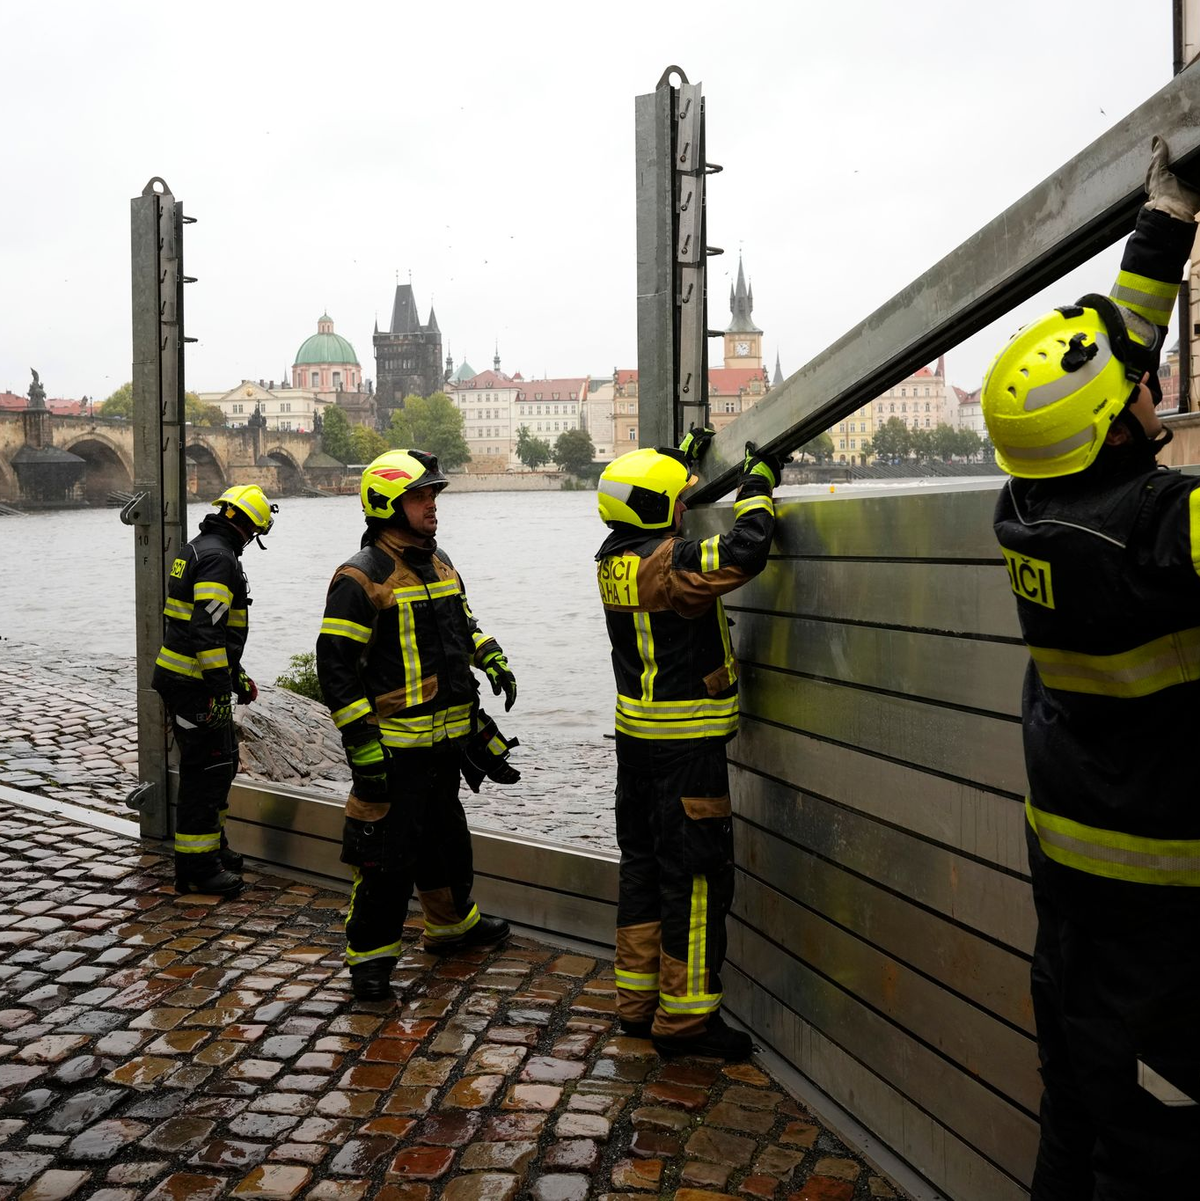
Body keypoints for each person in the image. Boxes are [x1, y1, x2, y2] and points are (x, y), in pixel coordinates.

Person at [981, 137, 1200, 1199]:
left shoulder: (1027, 509)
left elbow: (1102, 381)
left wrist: (1162, 224)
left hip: (1072, 895)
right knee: (1156, 1149)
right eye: (1143, 387)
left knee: (1075, 1112)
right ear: (1121, 424)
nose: (1154, 381)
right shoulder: (1160, 528)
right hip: (1165, 924)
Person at [594, 431, 783, 1060]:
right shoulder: (671, 567)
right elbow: (747, 549)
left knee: (643, 868)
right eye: (678, 501)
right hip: (687, 747)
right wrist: (758, 483)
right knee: (696, 881)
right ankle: (687, 1021)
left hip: (636, 745)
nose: (683, 508)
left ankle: (636, 1004)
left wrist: (678, 458)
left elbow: (655, 511)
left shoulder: (612, 559)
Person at [316, 448, 518, 1002]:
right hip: (395, 750)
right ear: (387, 504)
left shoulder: (440, 560)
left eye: (433, 495)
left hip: (446, 742)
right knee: (384, 858)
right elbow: (335, 670)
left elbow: (462, 625)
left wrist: (490, 654)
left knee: (446, 843)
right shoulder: (361, 577)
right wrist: (361, 744)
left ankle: (452, 926)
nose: (433, 505)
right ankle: (371, 962)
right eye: (420, 496)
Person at [152, 484, 277, 897]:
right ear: (248, 526)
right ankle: (197, 867)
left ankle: (213, 849)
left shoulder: (197, 548)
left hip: (188, 678)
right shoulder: (220, 559)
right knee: (206, 771)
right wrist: (221, 688)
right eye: (257, 531)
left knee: (218, 763)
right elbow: (207, 633)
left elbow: (199, 628)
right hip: (196, 684)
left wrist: (235, 676)